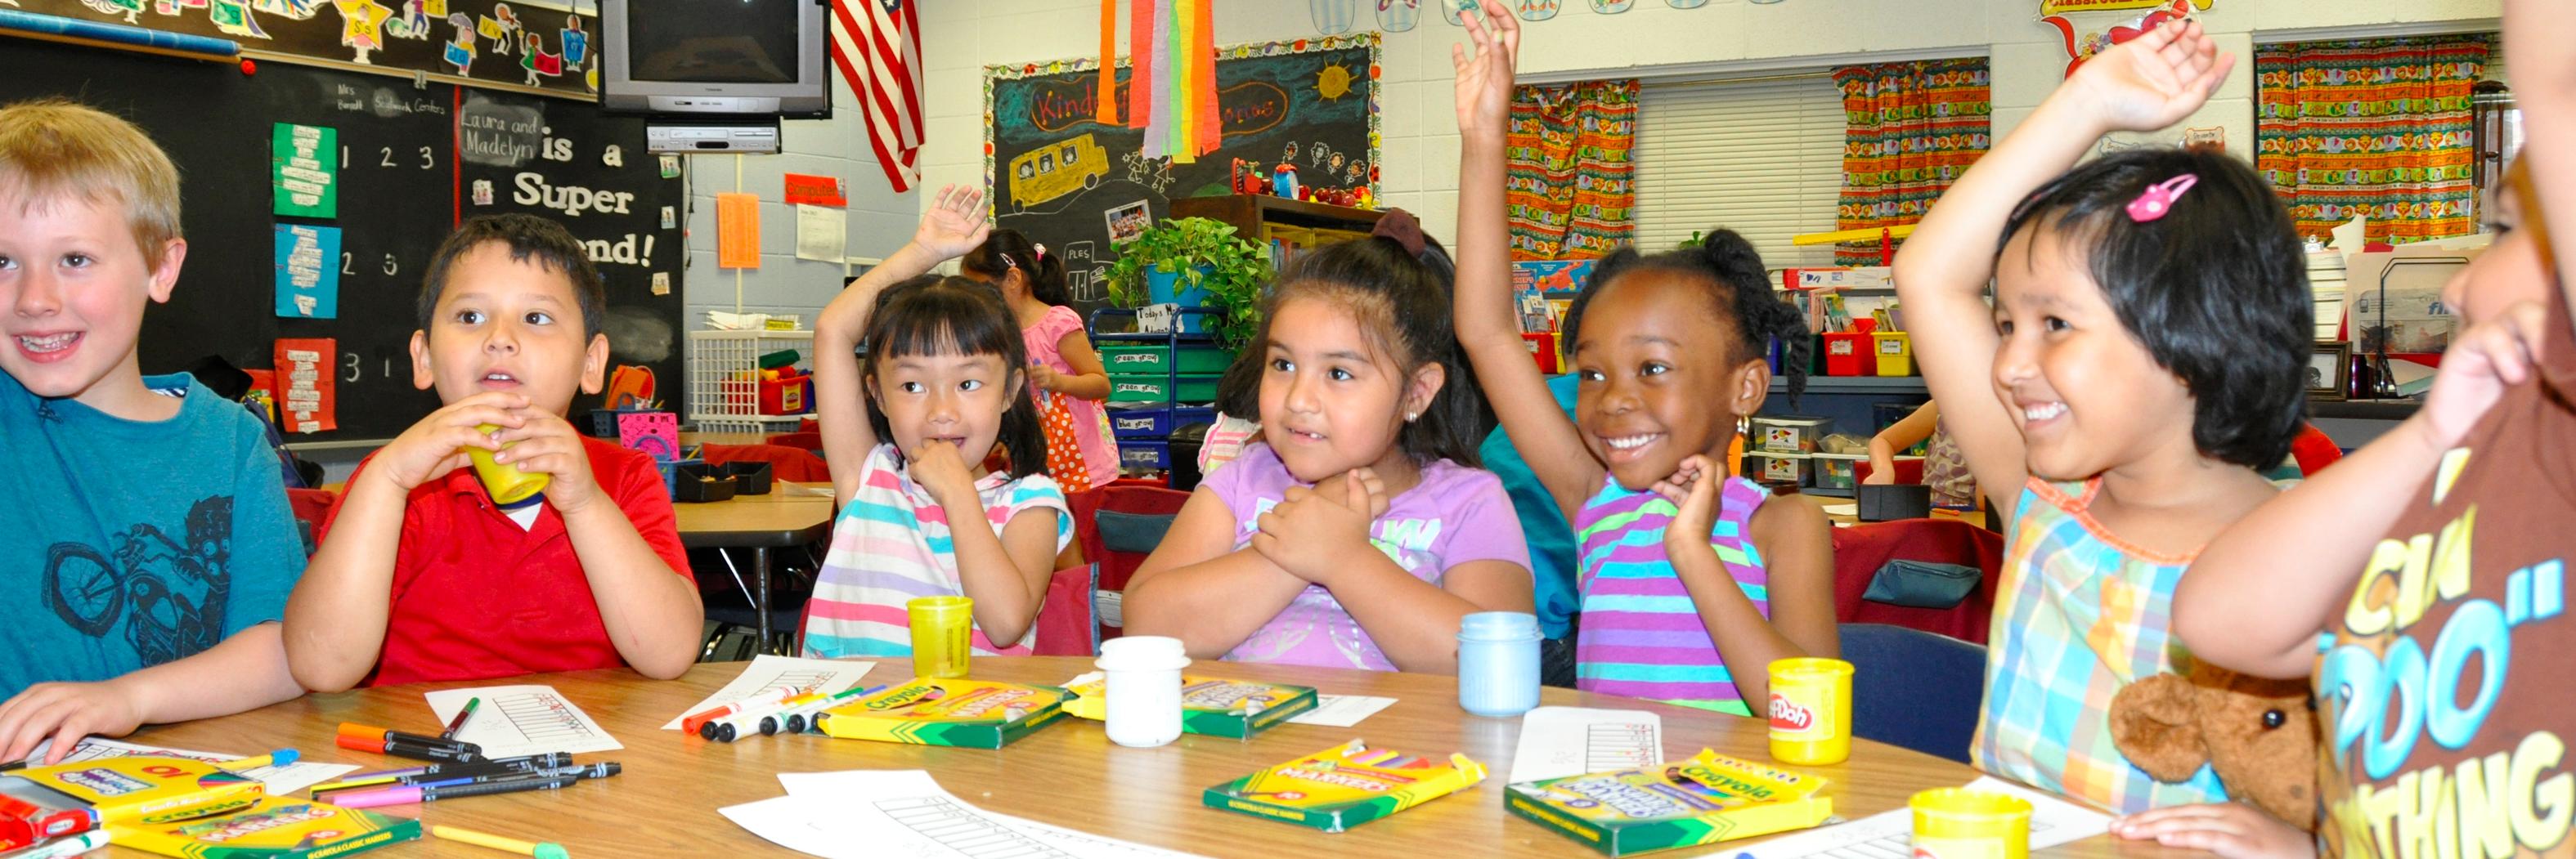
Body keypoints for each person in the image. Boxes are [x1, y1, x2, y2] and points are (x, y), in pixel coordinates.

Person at [2145, 72, 2576, 859]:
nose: (2458, 285)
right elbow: (2218, 617)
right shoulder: (2450, 486)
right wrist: (2428, 439)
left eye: (2507, 234)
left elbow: (2561, 78)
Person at [1892, 20, 2312, 815]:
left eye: (2055, 324)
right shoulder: (2046, 502)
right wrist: (2089, 99)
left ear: (2192, 339)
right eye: (2007, 322)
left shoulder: (2306, 557)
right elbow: (1930, 272)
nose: (2009, 364)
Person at [1448, 0, 1836, 715]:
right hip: (1607, 807)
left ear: (1746, 386)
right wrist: (1483, 139)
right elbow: (1487, 332)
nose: (1613, 397)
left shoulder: (1785, 527)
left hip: (1739, 814)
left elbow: (1804, 711)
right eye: (1592, 373)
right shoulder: (1597, 502)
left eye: (1652, 368)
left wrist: (1694, 553)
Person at [0, 99, 304, 763]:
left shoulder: (231, 442)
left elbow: (284, 651)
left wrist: (126, 699)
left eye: (75, 259)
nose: (34, 299)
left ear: (161, 269)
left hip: (176, 792)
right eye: (3, 262)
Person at [285, 214, 703, 691]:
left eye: (536, 318)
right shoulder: (396, 484)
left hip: (593, 749)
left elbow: (668, 654)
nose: (500, 337)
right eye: (470, 317)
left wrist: (586, 504)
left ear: (591, 364)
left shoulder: (625, 477)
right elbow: (321, 667)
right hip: (429, 749)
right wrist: (388, 482)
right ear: (423, 358)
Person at [1120, 213, 1534, 673]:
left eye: (1338, 374)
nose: (1299, 399)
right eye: (1282, 365)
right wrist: (1293, 556)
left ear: (1417, 392)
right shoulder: (1241, 482)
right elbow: (1146, 625)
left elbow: (1500, 664)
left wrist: (1343, 559)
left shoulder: (1469, 502)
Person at [801, 186, 1071, 659]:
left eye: (968, 384)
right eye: (912, 386)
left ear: (1009, 390)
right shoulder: (870, 479)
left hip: (963, 727)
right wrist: (923, 252)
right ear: (877, 397)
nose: (941, 411)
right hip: (842, 728)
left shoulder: (1030, 502)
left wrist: (958, 493)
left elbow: (1006, 623)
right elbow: (833, 330)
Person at [958, 229, 1116, 494]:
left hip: (1080, 462)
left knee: (1079, 532)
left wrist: (1058, 381)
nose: (978, 301)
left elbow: (1102, 385)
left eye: (982, 290)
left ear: (1013, 278)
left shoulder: (1057, 323)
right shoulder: (1001, 331)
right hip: (1033, 458)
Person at [1864, 400, 1977, 508]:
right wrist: (1883, 472)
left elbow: (1983, 503)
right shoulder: (1944, 407)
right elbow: (1884, 441)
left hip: (1978, 524)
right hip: (1932, 519)